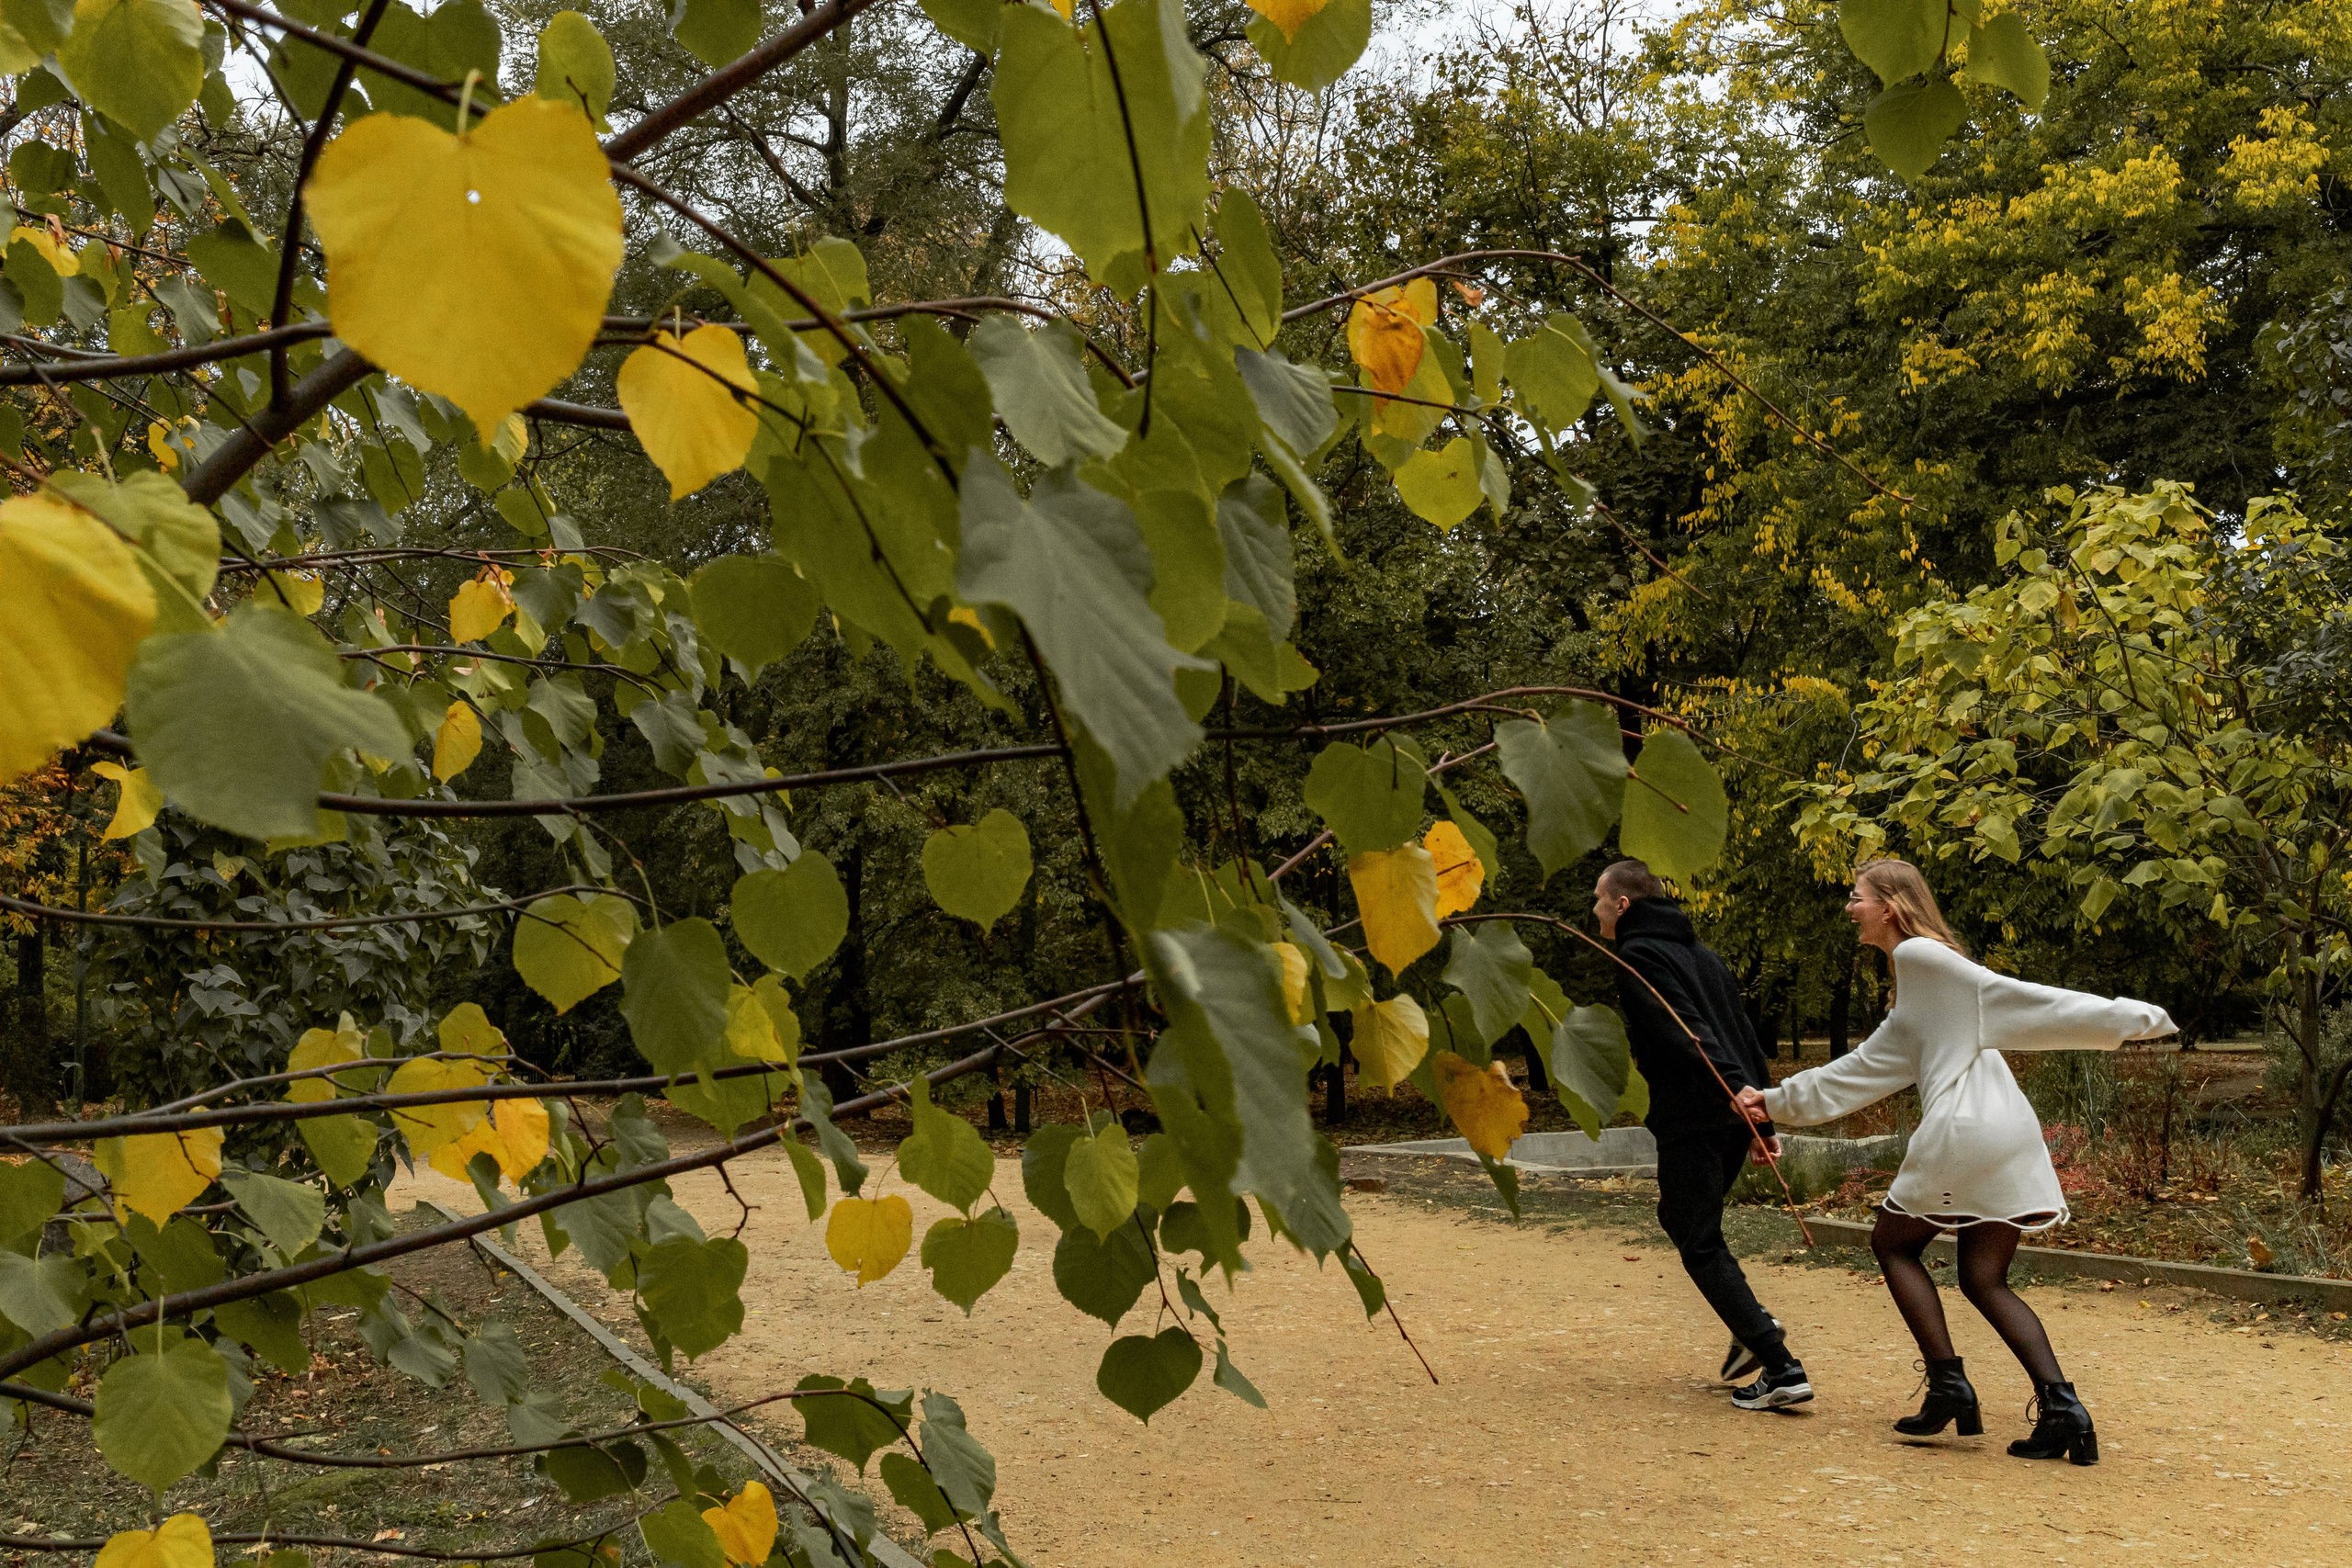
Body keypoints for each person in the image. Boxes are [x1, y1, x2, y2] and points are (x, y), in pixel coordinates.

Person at [1736, 859, 2175, 1466]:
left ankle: (1948, 1382)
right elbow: (1862, 1071)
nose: (1849, 907)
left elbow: (2027, 1003)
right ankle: (2063, 1409)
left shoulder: (1925, 959)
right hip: (2005, 1132)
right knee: (1982, 1277)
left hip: (1965, 1131)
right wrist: (1777, 1101)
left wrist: (2130, 1018)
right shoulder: (1919, 981)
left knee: (1892, 1241)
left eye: (1856, 896)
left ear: (1889, 904)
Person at [1594, 859, 1812, 1413]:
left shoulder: (1637, 955)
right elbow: (1742, 1034)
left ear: (1623, 905)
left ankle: (1779, 1363)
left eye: (1599, 899)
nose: (1593, 910)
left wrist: (1740, 1098)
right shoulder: (1704, 957)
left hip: (1697, 1115)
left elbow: (1688, 1033)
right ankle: (1752, 1324)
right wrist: (1759, 1113)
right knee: (1683, 1219)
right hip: (1732, 1114)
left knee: (1698, 1239)